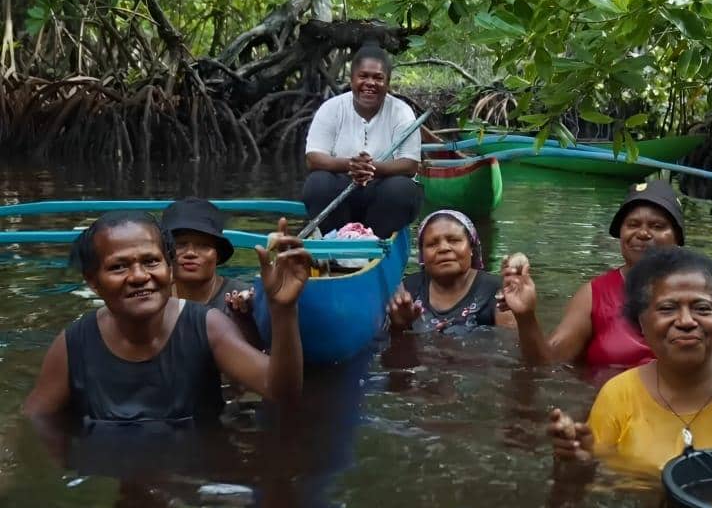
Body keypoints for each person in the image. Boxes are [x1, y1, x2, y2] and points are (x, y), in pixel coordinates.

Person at [23, 211, 309, 424]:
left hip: (198, 473)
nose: (139, 276)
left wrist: (283, 310)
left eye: (151, 261)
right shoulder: (73, 345)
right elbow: (34, 425)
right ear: (93, 281)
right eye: (119, 267)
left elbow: (280, 391)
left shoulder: (208, 326)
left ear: (170, 269)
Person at [549, 247, 712, 473]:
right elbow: (594, 491)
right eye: (667, 308)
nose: (686, 321)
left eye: (702, 308)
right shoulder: (617, 396)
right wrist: (578, 464)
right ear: (642, 323)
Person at [500, 179, 712, 369]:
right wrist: (526, 316)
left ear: (677, 238)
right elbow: (546, 363)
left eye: (657, 226)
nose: (643, 233)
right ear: (621, 234)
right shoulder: (594, 294)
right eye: (633, 224)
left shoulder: (702, 294)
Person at [301, 45, 423, 237]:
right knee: (317, 183)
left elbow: (410, 165)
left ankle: (378, 243)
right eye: (363, 76)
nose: (370, 83)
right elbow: (313, 158)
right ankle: (337, 241)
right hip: (342, 188)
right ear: (352, 80)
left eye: (378, 78)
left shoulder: (401, 112)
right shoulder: (331, 108)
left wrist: (370, 168)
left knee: (402, 189)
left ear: (387, 83)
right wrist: (351, 165)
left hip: (382, 191)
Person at [386, 210, 516, 333]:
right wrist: (400, 327)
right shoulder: (409, 289)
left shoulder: (498, 292)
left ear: (471, 247)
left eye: (454, 240)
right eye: (432, 244)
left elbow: (513, 344)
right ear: (422, 255)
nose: (443, 248)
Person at [161, 197, 251, 315]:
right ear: (164, 252)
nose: (190, 253)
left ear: (218, 255)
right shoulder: (152, 298)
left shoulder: (245, 298)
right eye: (179, 244)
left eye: (203, 245)